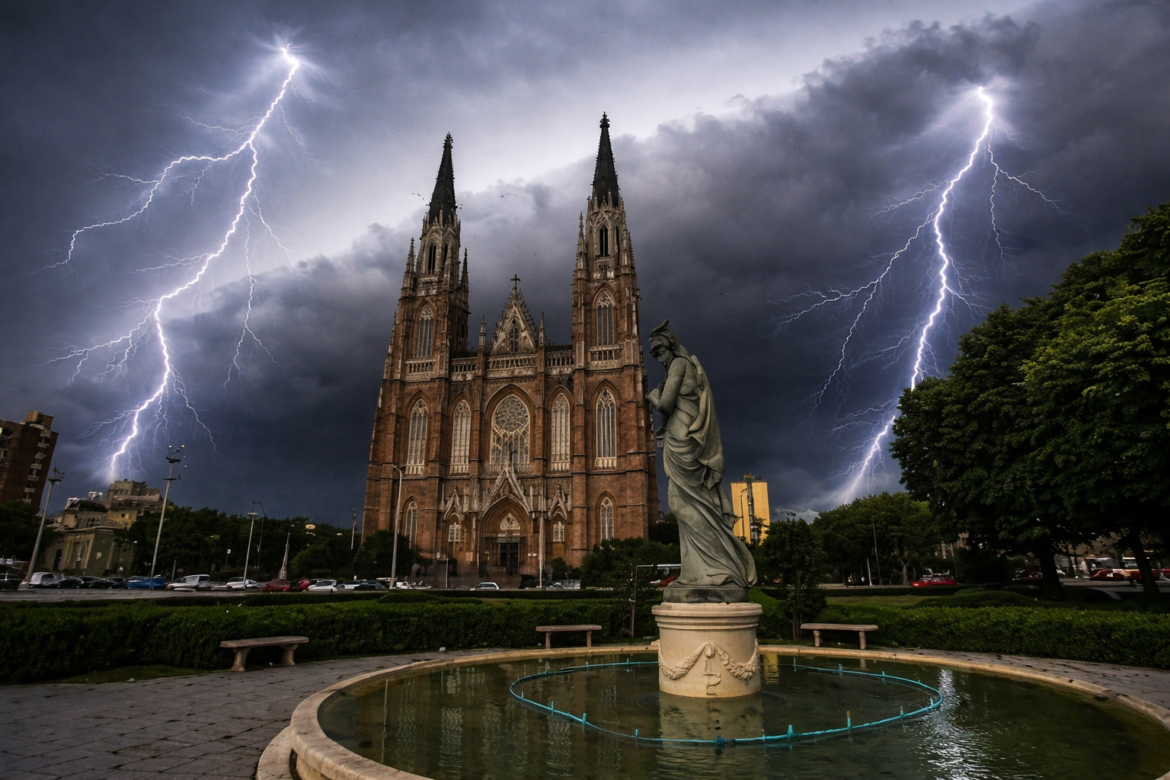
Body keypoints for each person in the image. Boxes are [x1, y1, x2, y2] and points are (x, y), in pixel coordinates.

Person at [646, 321, 756, 596]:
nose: (657, 357)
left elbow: (665, 404)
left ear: (670, 346)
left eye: (659, 351)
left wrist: (651, 395)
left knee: (685, 504)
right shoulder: (682, 365)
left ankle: (718, 567)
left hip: (684, 443)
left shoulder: (679, 365)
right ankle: (698, 569)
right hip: (680, 442)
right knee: (689, 505)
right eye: (654, 354)